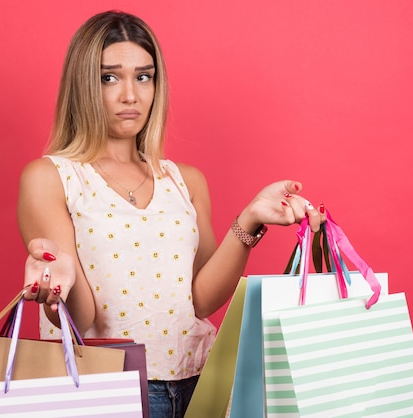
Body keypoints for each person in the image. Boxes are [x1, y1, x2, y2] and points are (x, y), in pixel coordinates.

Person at [17, 10, 325, 418]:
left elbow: (201, 301)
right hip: (113, 385)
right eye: (109, 77)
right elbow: (84, 316)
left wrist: (251, 218)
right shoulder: (52, 177)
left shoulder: (184, 180)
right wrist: (57, 293)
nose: (131, 95)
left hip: (202, 380)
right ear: (82, 86)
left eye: (143, 76)